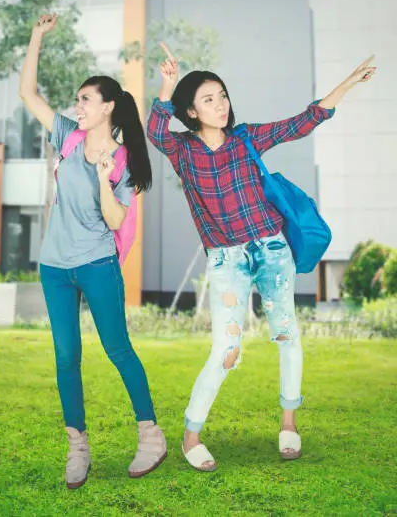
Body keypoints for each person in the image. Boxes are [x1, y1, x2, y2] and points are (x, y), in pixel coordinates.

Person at [147, 43, 376, 471]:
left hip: (272, 250)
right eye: (209, 99)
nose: (221, 104)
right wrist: (167, 86)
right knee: (226, 350)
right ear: (192, 111)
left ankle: (289, 424)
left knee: (288, 336)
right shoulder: (182, 150)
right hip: (227, 260)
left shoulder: (246, 137)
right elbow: (155, 131)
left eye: (223, 95)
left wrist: (345, 84)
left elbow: (301, 123)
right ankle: (190, 435)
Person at [19, 14, 167, 488]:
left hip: (98, 264)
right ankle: (77, 446)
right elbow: (28, 95)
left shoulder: (122, 158)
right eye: (78, 100)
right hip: (55, 266)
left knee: (117, 348)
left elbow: (117, 220)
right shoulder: (67, 135)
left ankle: (151, 434)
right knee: (66, 357)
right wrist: (36, 37)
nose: (76, 105)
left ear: (106, 108)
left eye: (85, 99)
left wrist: (104, 178)